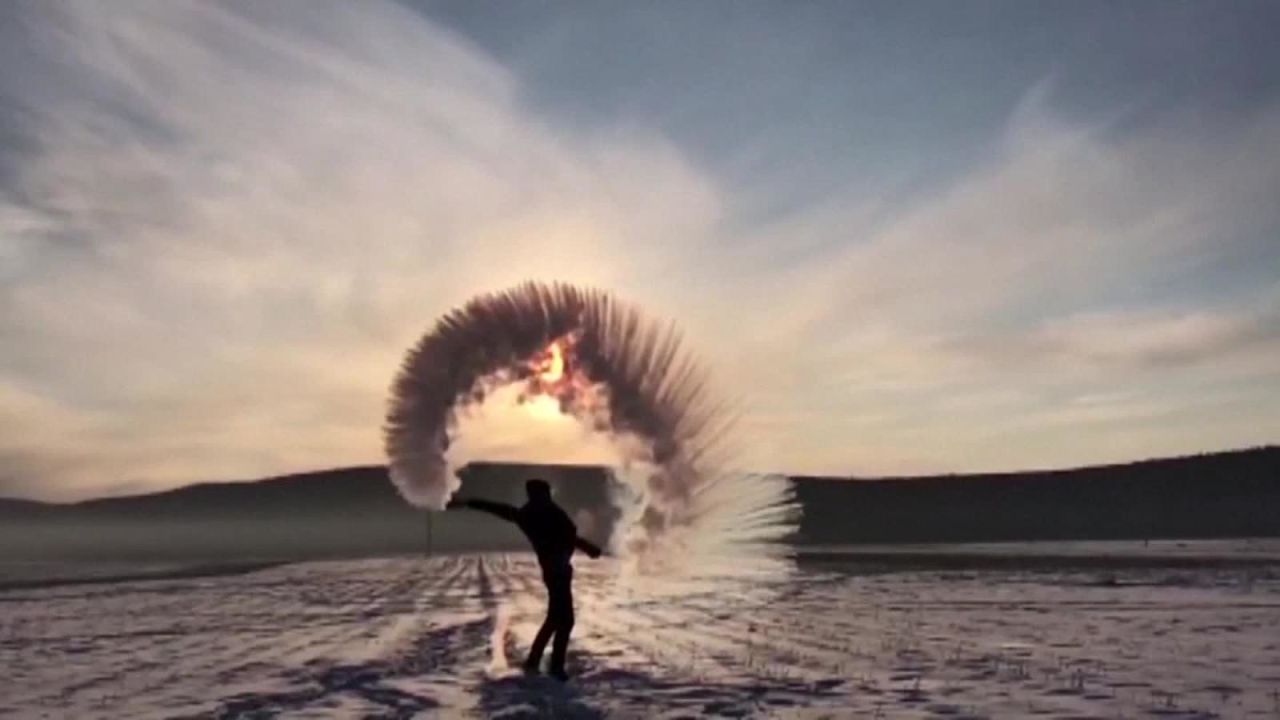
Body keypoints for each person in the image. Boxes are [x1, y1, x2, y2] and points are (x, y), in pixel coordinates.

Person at [448, 479, 603, 681]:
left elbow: (565, 535)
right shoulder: (536, 514)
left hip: (558, 569)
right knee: (563, 620)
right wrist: (588, 547)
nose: (547, 495)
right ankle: (553, 666)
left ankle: (536, 662)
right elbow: (563, 534)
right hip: (556, 570)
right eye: (545, 492)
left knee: (556, 619)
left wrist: (587, 547)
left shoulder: (535, 513)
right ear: (540, 494)